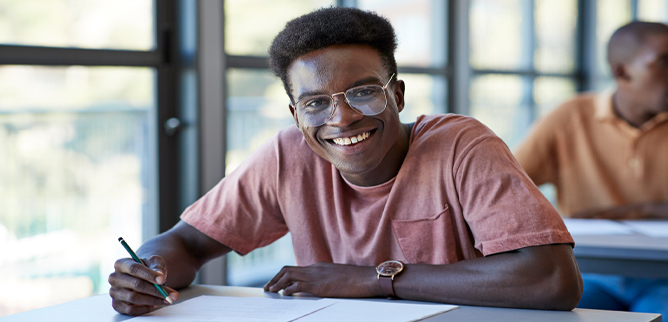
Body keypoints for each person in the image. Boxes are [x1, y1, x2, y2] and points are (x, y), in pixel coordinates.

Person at [108, 7, 582, 316]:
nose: (342, 117)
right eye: (315, 103)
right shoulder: (287, 155)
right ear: (297, 115)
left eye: (363, 92)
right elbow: (185, 245)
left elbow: (551, 279)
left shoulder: (461, 145)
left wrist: (370, 280)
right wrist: (148, 271)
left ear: (395, 94)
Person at [514, 21, 668, 316]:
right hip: (587, 271)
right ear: (622, 72)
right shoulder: (569, 117)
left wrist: (635, 210)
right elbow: (503, 188)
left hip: (663, 277)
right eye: (664, 62)